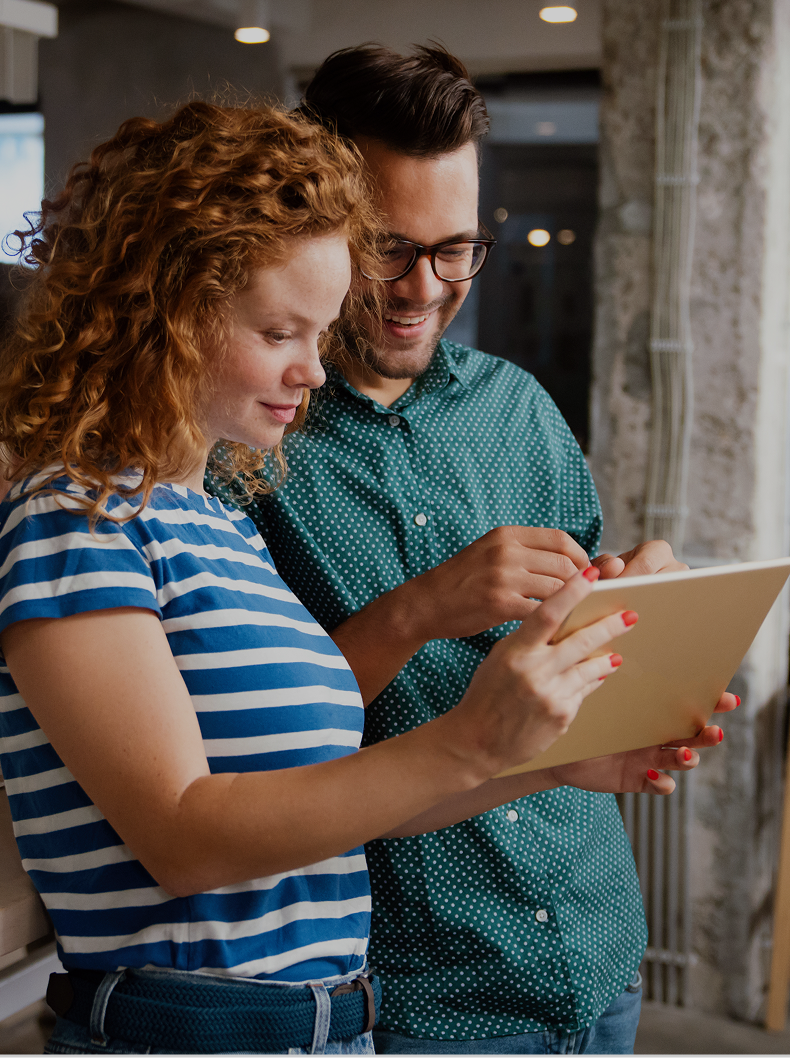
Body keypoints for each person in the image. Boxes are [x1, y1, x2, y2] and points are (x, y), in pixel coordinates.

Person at [0, 101, 641, 1056]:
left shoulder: (217, 522)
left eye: (321, 332)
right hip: (191, 1030)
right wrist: (472, 738)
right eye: (279, 332)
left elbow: (328, 807)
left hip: (327, 1023)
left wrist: (541, 762)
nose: (312, 371)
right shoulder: (75, 517)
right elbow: (183, 839)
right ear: (164, 312)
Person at [217, 46, 738, 1056]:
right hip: (423, 995)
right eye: (387, 249)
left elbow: (579, 654)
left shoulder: (519, 407)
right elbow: (255, 741)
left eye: (455, 250)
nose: (424, 287)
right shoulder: (247, 441)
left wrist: (636, 607)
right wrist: (419, 609)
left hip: (597, 941)